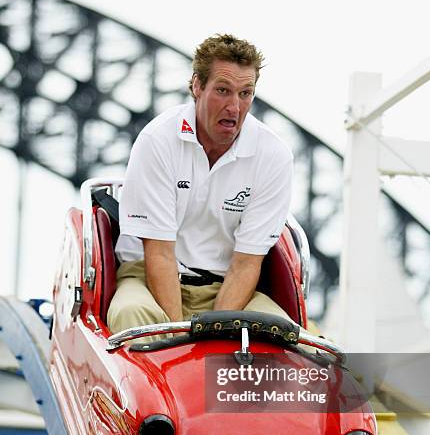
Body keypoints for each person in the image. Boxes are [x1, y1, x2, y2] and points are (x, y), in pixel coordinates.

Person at [107, 34, 294, 337]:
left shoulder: (274, 155)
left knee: (282, 337)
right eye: (223, 90)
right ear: (197, 85)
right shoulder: (158, 140)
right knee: (133, 316)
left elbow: (246, 265)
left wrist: (213, 332)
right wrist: (183, 343)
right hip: (147, 278)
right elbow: (160, 255)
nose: (235, 107)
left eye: (246, 93)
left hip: (227, 286)